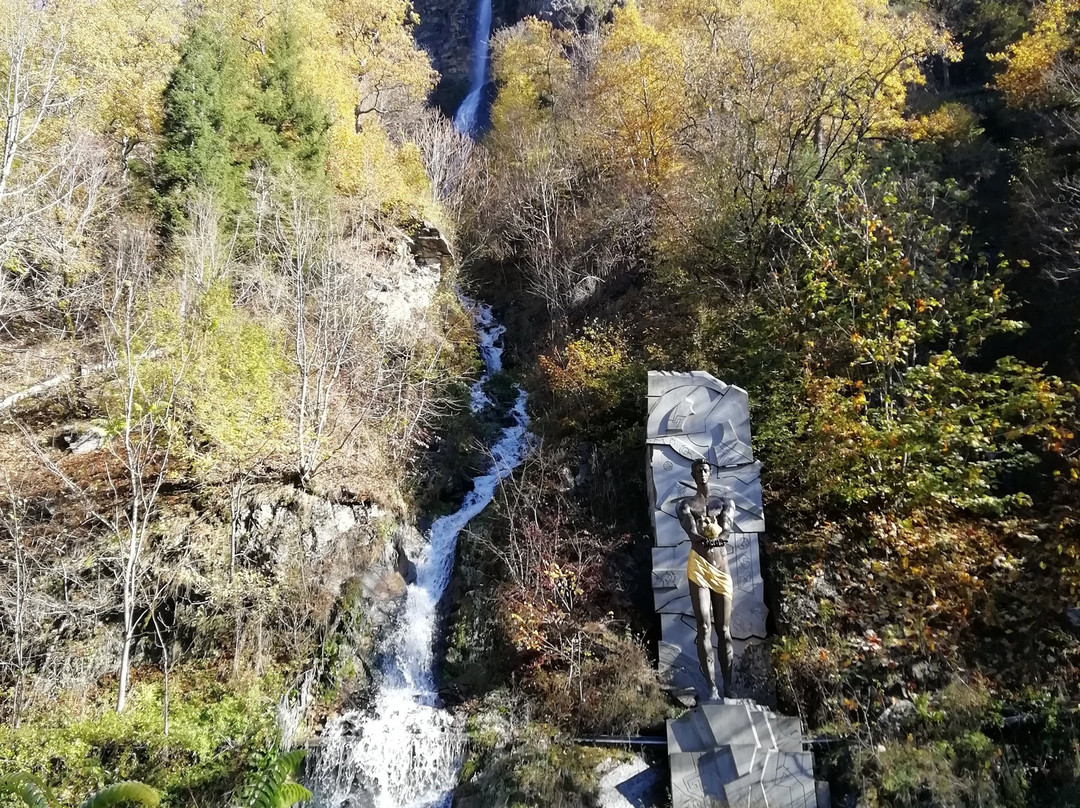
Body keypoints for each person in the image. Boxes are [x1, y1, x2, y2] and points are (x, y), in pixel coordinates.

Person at [676, 458, 736, 702]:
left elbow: (728, 528)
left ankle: (729, 687)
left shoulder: (724, 503)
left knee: (724, 629)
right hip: (699, 567)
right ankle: (711, 687)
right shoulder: (686, 504)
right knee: (703, 626)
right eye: (697, 470)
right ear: (692, 475)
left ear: (710, 473)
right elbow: (690, 529)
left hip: (721, 568)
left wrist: (717, 535)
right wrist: (701, 536)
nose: (701, 473)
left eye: (705, 469)